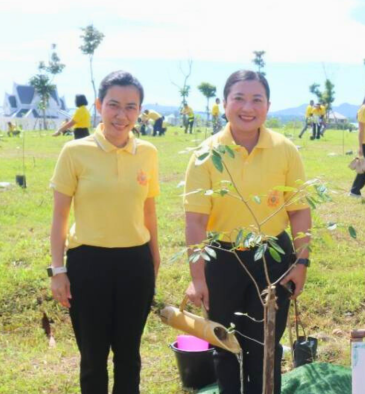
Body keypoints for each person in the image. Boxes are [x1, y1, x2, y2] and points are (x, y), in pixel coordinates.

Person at [184, 70, 311, 394]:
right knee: (226, 345)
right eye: (238, 98)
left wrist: (300, 263)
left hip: (272, 257)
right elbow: (196, 221)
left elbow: (298, 210)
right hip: (222, 258)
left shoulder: (285, 150)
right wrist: (198, 278)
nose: (247, 107)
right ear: (224, 103)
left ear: (268, 105)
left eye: (257, 99)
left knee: (266, 344)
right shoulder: (206, 153)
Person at [49, 71, 160, 393]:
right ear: (99, 105)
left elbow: (149, 211)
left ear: (139, 111)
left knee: (129, 354)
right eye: (113, 105)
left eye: (130, 107)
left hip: (135, 263)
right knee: (93, 356)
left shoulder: (148, 153)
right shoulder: (75, 152)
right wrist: (58, 270)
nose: (121, 115)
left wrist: (154, 259)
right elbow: (59, 216)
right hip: (88, 264)